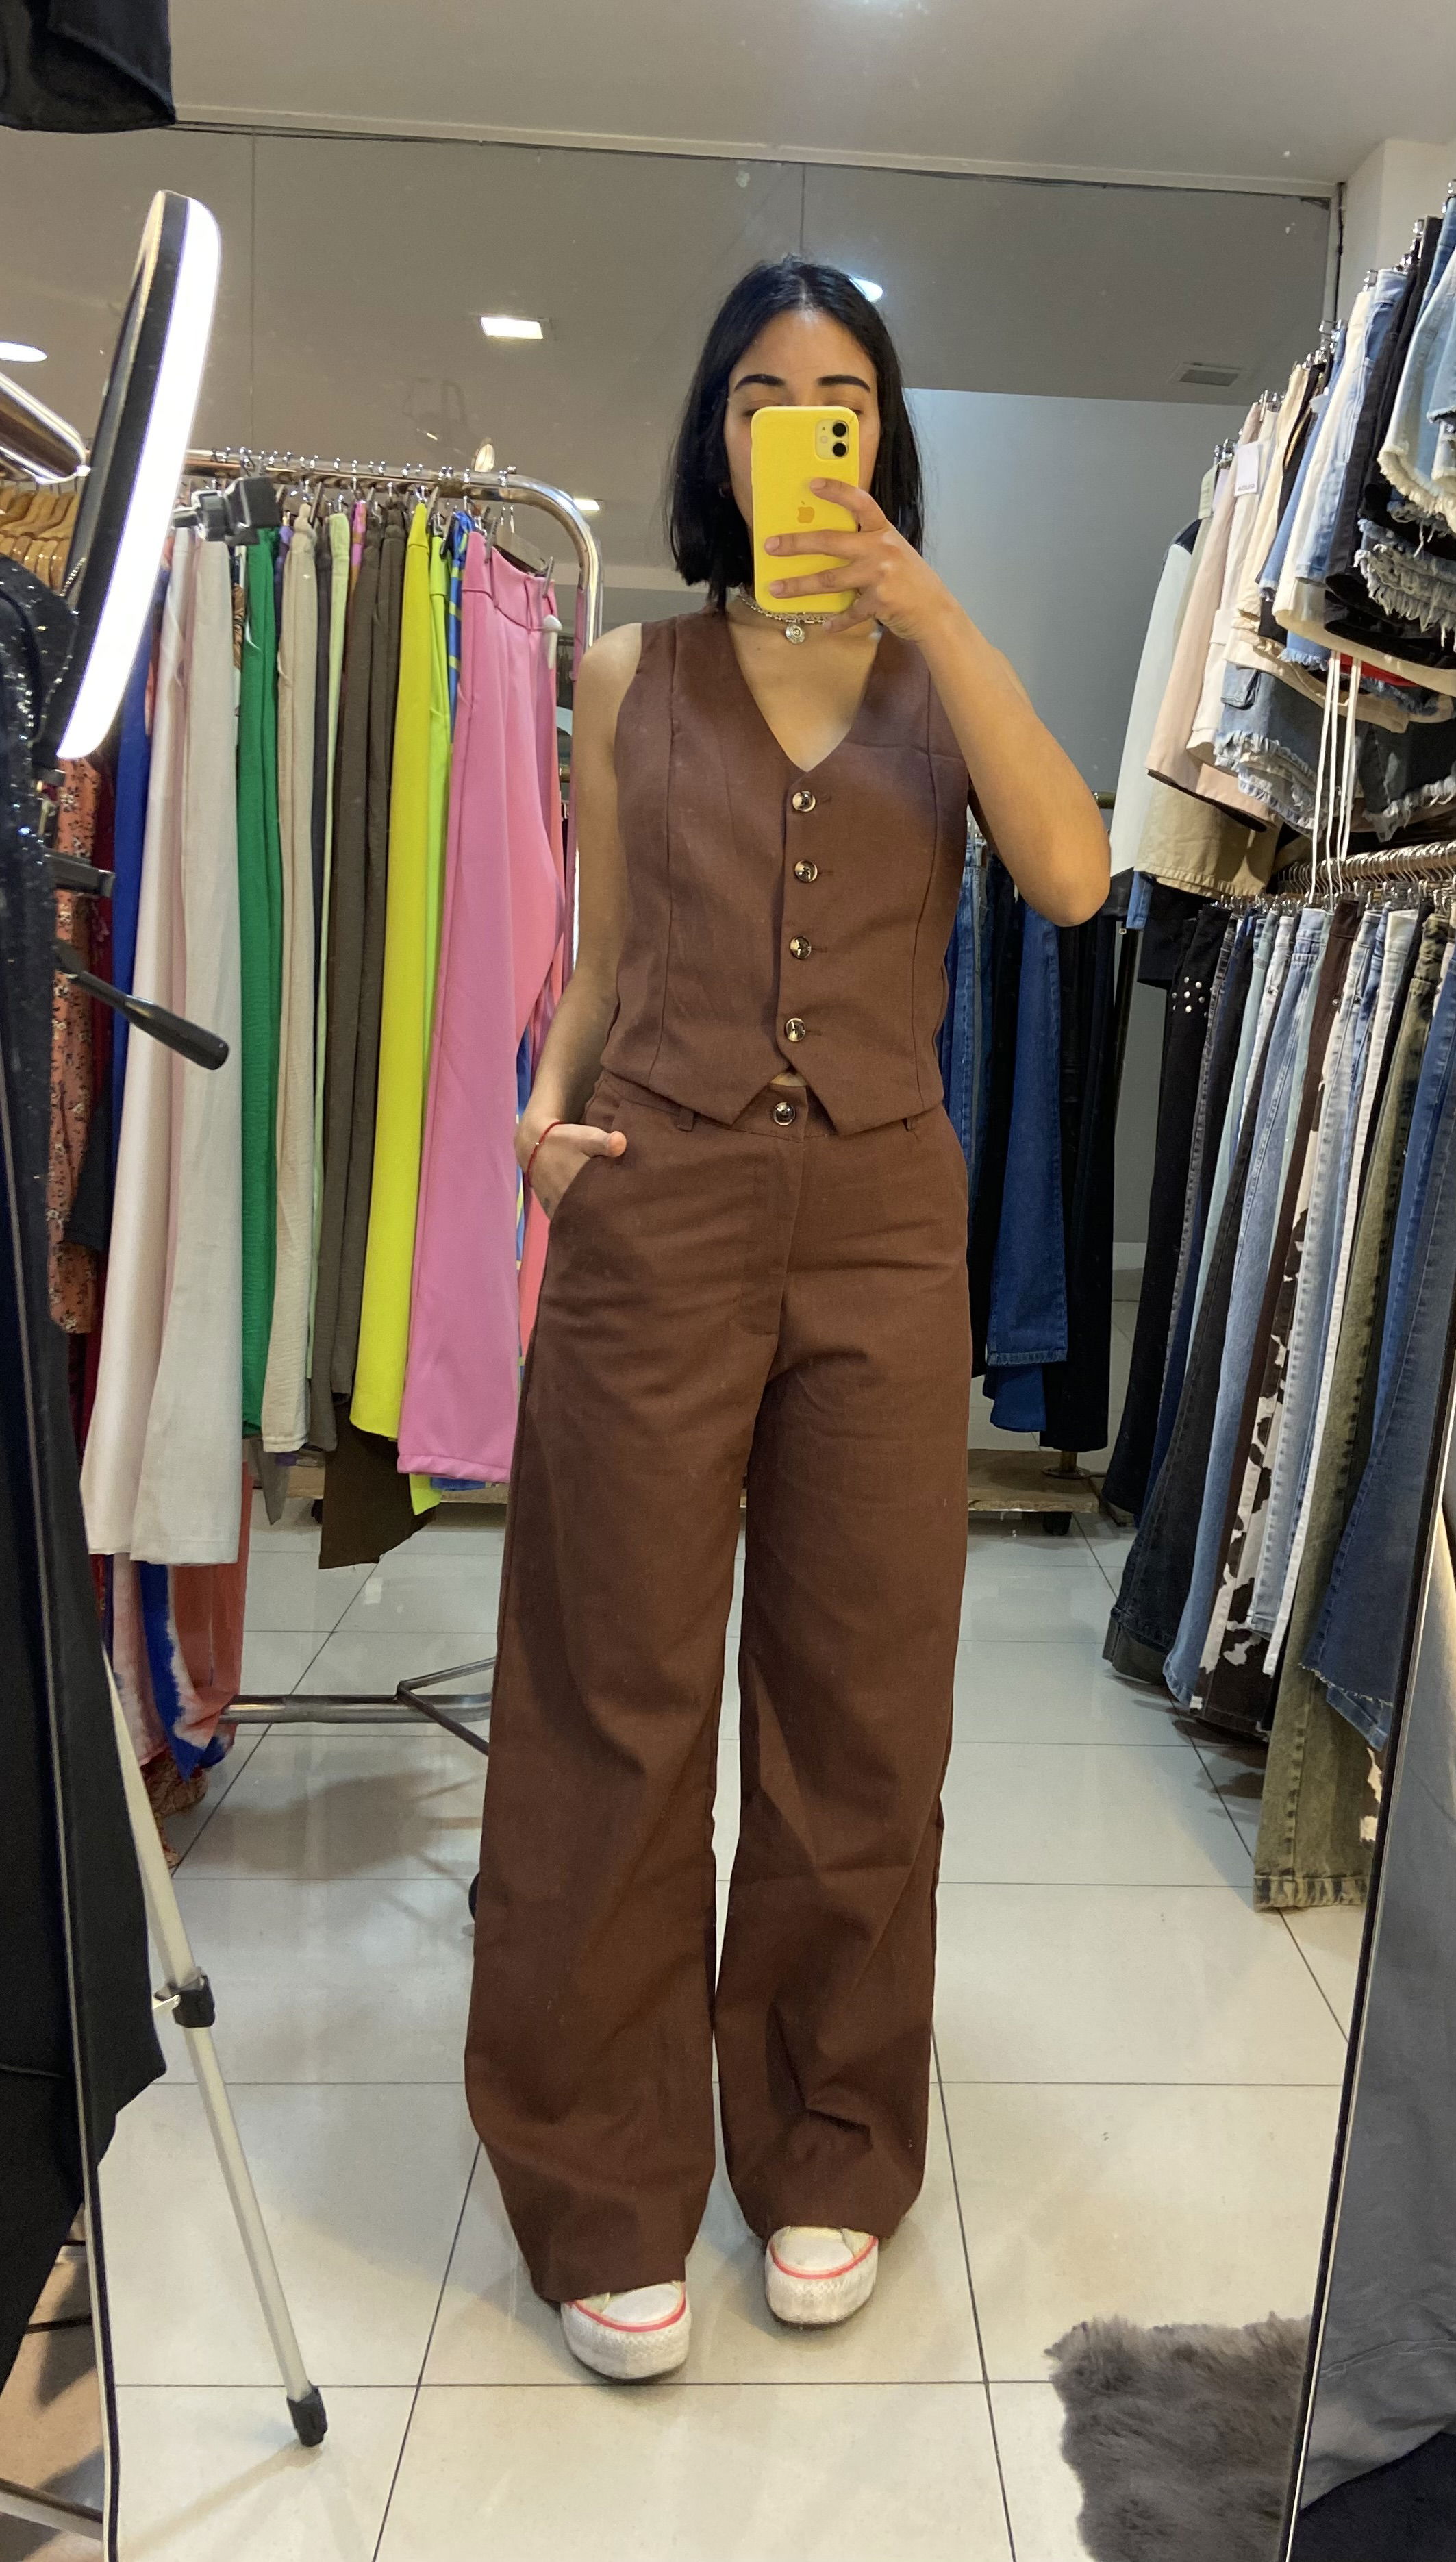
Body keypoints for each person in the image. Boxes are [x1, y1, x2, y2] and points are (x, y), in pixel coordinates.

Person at [465, 256, 1109, 2381]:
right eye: (763, 392)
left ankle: (830, 2139)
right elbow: (603, 954)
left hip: (884, 1226)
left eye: (841, 396)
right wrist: (541, 1119)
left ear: (883, 438)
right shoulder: (626, 675)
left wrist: (934, 610)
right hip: (655, 1205)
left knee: (862, 1704)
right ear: (718, 434)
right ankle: (600, 2173)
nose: (801, 425)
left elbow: (1075, 875)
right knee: (613, 1693)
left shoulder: (941, 679)